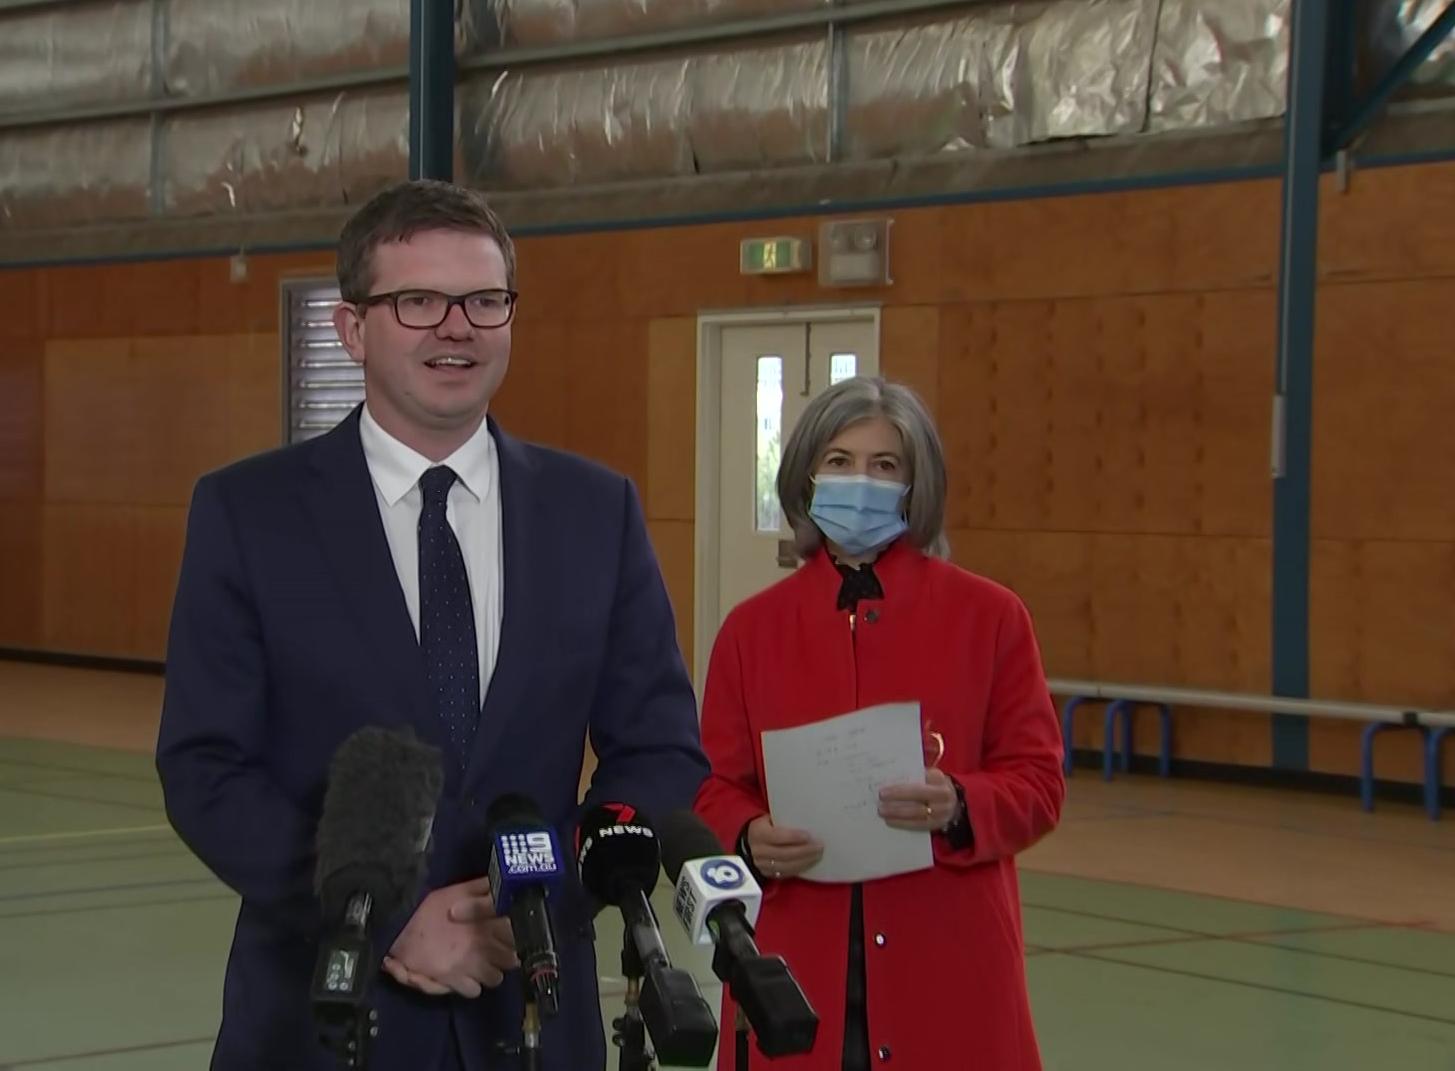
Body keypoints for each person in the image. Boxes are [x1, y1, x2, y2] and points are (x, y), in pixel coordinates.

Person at [156, 179, 709, 1070]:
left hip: (532, 1011)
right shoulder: (247, 514)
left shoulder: (595, 511)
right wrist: (384, 917)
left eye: (484, 300)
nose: (457, 328)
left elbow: (660, 749)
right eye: (418, 301)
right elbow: (205, 767)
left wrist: (539, 902)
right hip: (321, 1019)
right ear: (351, 328)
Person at [693, 376, 1064, 1070]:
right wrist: (747, 834)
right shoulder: (750, 631)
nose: (859, 480)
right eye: (839, 461)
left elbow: (1040, 783)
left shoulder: (992, 618)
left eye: (883, 465)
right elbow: (713, 786)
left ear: (914, 486)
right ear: (806, 478)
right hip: (793, 964)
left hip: (949, 965)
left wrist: (961, 803)